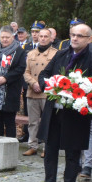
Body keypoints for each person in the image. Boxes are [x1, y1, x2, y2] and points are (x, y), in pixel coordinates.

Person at [35, 22, 92, 182]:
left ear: (89, 39)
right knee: (50, 151)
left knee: (72, 154)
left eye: (79, 36)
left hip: (75, 114)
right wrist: (49, 84)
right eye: (72, 34)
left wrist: (75, 93)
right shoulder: (61, 54)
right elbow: (44, 73)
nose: (74, 38)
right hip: (54, 112)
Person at [0, 26, 27, 136]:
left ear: (13, 37)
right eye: (2, 37)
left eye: (7, 37)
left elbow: (20, 68)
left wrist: (6, 78)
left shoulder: (19, 51)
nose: (5, 39)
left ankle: (10, 145)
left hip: (9, 92)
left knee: (9, 122)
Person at [23, 25, 57, 157]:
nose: (42, 39)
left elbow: (56, 74)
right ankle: (32, 145)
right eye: (40, 36)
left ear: (50, 38)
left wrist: (42, 84)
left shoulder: (56, 54)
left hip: (46, 92)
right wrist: (33, 83)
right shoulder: (30, 53)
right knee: (32, 121)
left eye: (45, 36)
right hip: (32, 91)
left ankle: (46, 147)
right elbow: (26, 72)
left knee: (47, 121)